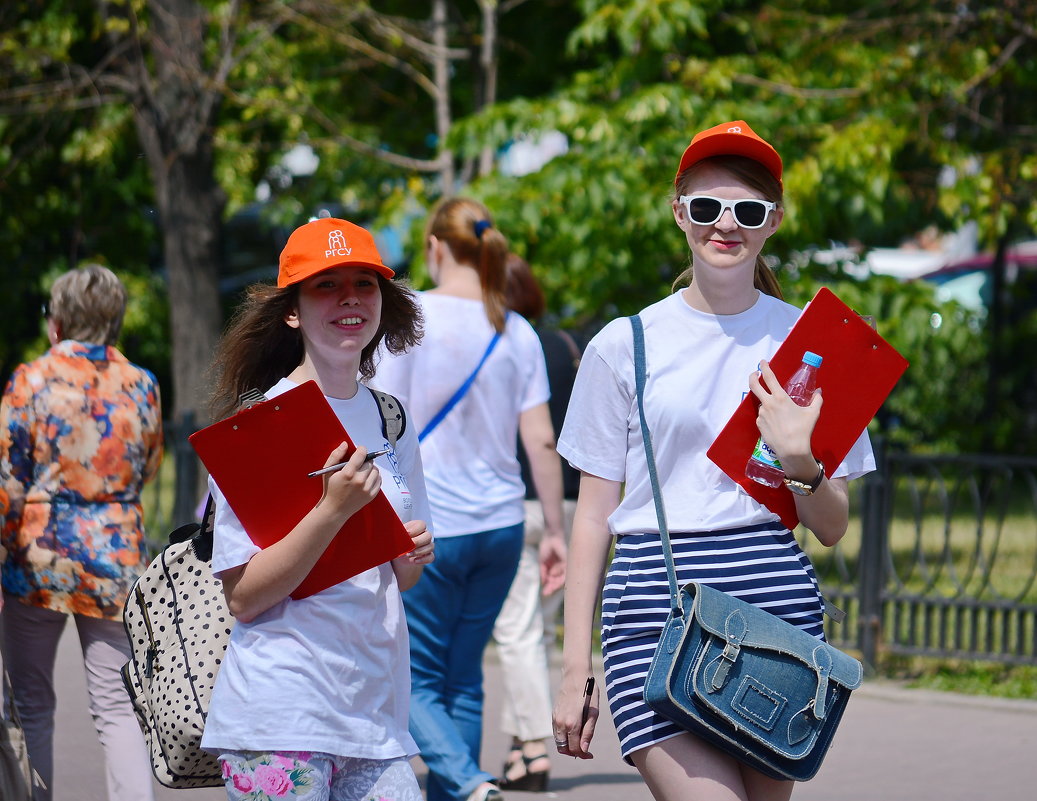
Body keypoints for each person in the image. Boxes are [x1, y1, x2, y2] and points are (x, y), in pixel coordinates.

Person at [550, 120, 875, 801]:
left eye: (747, 210)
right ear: (679, 213)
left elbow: (833, 522)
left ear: (772, 221)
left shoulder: (811, 343)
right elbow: (591, 518)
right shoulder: (624, 344)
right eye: (705, 207)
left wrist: (796, 457)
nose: (725, 224)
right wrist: (574, 662)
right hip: (654, 608)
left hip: (774, 611)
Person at [198, 217, 435, 801]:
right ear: (293, 311)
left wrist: (414, 554)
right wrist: (332, 511)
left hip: (375, 714)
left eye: (364, 282)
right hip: (280, 715)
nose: (349, 298)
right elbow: (244, 596)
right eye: (325, 285)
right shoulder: (258, 425)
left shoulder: (391, 418)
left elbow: (396, 576)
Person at [373, 198, 566, 801]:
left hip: (428, 527)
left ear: (433, 246)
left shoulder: (406, 321)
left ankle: (470, 784)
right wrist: (555, 530)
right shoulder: (515, 329)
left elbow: (376, 421)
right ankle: (466, 789)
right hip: (502, 525)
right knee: (464, 680)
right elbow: (540, 439)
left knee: (415, 679)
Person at [0, 263, 164, 801]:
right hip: (114, 559)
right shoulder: (142, 385)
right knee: (118, 710)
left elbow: (7, 478)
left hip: (37, 562)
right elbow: (150, 466)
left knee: (32, 704)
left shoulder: (29, 381)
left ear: (58, 321)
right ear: (116, 322)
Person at [491, 254, 579, 793]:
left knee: (516, 632)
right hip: (571, 502)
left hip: (522, 500)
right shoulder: (567, 346)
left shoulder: (505, 345)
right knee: (536, 630)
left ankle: (533, 749)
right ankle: (521, 752)